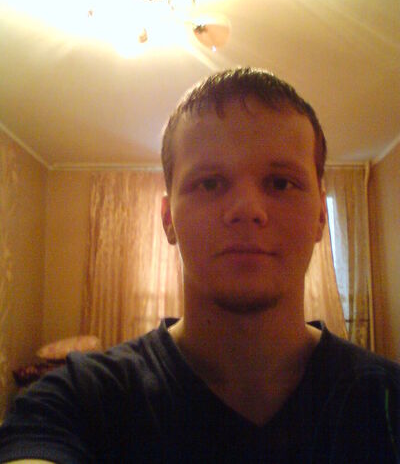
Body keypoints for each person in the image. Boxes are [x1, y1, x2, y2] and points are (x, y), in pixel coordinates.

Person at [0, 67, 399, 463]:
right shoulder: (75, 403)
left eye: (281, 183)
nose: (247, 210)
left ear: (320, 217)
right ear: (168, 219)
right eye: (209, 183)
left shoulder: (388, 400)